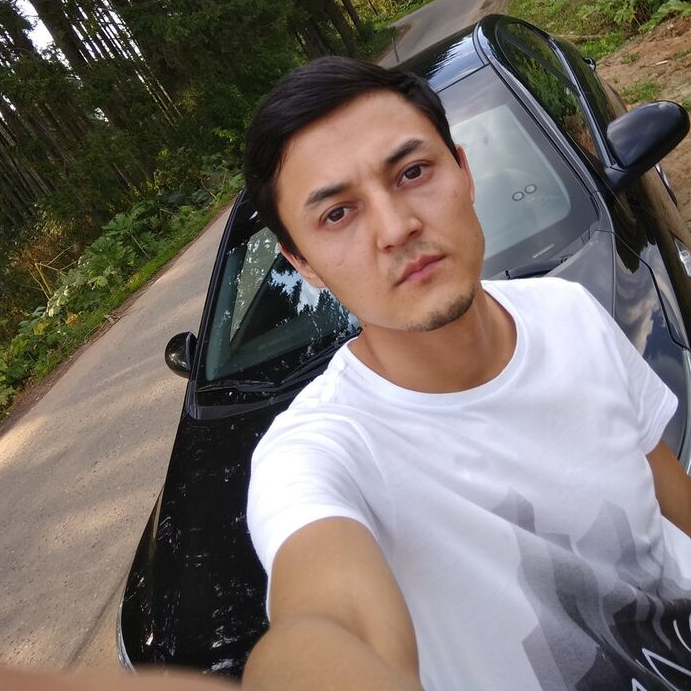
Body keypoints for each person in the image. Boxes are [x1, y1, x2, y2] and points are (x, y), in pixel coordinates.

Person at [241, 56, 691, 691]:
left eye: (413, 172)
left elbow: (670, 495)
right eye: (338, 214)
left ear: (464, 170)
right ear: (304, 263)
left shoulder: (569, 313)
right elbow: (324, 621)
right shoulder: (320, 452)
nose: (397, 228)